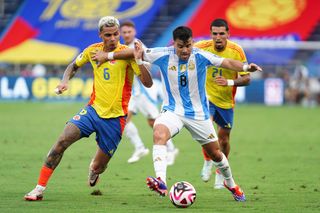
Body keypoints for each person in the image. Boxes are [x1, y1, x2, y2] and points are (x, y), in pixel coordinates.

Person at [93, 26, 261, 201]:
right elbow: (134, 52)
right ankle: (161, 181)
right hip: (172, 111)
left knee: (216, 154)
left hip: (198, 115)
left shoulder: (201, 56)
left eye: (188, 45)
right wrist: (108, 56)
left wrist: (246, 66)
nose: (185, 50)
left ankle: (231, 183)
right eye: (180, 46)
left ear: (192, 42)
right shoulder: (164, 54)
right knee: (158, 133)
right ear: (174, 44)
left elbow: (226, 62)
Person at [24, 16, 153, 201]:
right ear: (100, 34)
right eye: (108, 35)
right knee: (61, 141)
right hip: (92, 111)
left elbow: (147, 83)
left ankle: (94, 170)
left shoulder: (127, 54)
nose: (113, 38)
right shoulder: (92, 51)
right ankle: (38, 188)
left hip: (116, 119)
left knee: (99, 166)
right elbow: (73, 65)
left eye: (116, 34)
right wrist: (64, 81)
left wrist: (139, 61)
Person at [194, 18, 251, 189]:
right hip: (206, 97)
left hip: (226, 101)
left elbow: (247, 78)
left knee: (224, 139)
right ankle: (207, 161)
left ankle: (220, 172)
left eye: (221, 33)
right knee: (207, 130)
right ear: (210, 34)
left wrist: (229, 82)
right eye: (214, 33)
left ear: (228, 34)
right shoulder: (201, 47)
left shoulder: (236, 50)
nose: (218, 37)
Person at [120, 20, 179, 165]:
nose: (127, 34)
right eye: (124, 32)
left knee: (154, 122)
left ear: (134, 32)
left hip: (143, 92)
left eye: (129, 32)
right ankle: (139, 147)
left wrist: (138, 63)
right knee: (123, 120)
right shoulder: (122, 47)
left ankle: (171, 149)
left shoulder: (137, 46)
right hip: (133, 92)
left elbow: (148, 63)